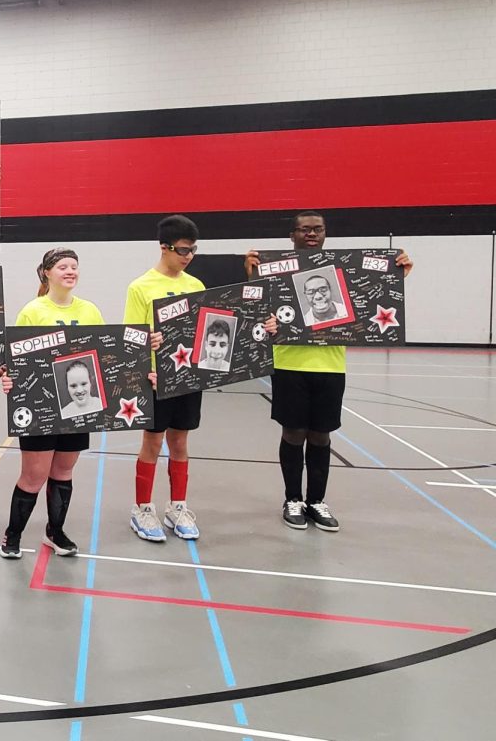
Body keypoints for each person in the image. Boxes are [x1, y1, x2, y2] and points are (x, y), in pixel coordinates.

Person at [246, 211, 413, 532]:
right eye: (304, 229)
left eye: (317, 229)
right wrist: (252, 273)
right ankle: (293, 499)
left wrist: (398, 272)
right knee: (293, 432)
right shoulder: (275, 271)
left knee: (321, 435)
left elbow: (371, 295)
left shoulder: (343, 271)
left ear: (325, 234)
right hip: (288, 364)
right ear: (292, 235)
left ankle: (316, 501)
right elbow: (254, 304)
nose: (311, 234)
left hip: (331, 366)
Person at [0, 247, 155, 559]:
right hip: (42, 407)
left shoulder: (90, 311)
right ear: (47, 273)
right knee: (34, 475)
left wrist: (141, 371)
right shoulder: (33, 311)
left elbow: (106, 358)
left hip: (79, 408)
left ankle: (54, 532)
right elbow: (17, 361)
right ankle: (12, 534)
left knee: (64, 471)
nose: (70, 271)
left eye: (74, 266)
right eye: (63, 267)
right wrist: (9, 379)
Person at [124, 215, 208, 543]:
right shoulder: (140, 287)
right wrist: (148, 342)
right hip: (156, 379)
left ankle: (177, 506)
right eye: (183, 250)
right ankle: (143, 508)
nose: (188, 256)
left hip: (187, 377)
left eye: (192, 251)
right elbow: (131, 337)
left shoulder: (196, 286)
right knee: (153, 442)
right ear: (164, 247)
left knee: (181, 442)